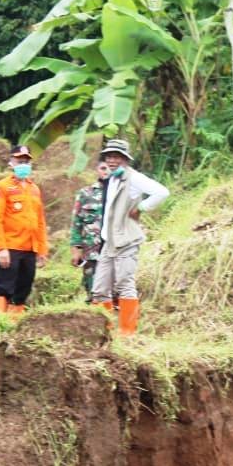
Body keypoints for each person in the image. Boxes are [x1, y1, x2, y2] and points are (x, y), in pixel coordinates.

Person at [91, 138, 169, 335]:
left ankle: (128, 334)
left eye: (117, 157)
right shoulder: (112, 178)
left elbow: (162, 192)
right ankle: (104, 333)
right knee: (100, 289)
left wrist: (141, 207)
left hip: (126, 240)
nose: (112, 160)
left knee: (125, 285)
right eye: (109, 156)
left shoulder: (133, 178)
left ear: (125, 159)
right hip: (109, 241)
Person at [0, 144, 48, 315]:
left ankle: (13, 327)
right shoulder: (2, 187)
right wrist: (1, 248)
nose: (23, 164)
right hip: (10, 247)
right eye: (19, 160)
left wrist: (42, 250)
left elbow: (40, 221)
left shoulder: (34, 189)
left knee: (23, 290)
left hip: (29, 248)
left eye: (26, 161)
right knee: (3, 288)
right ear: (11, 163)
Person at [69, 161, 109, 302]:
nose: (106, 171)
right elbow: (76, 222)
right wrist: (76, 248)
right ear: (97, 170)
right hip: (91, 250)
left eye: (109, 168)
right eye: (103, 168)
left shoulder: (120, 193)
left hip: (113, 249)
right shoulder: (85, 194)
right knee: (92, 290)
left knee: (115, 290)